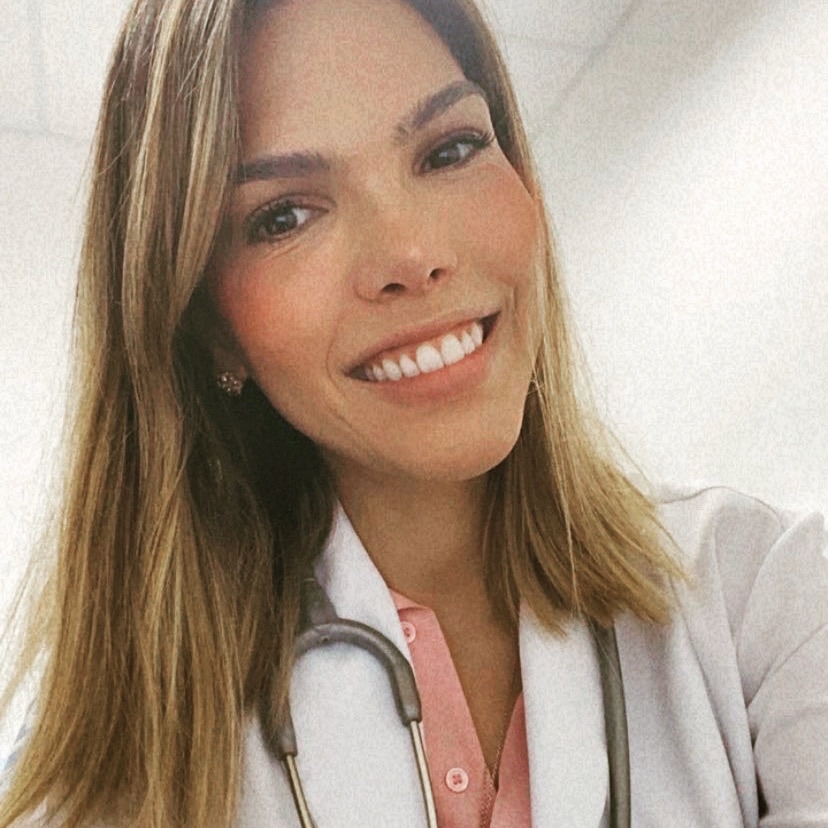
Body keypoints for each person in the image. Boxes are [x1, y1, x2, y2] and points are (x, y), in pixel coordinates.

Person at [1, 0, 826, 825]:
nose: (413, 255)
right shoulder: (110, 762)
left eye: (450, 149)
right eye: (285, 215)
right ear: (207, 324)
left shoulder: (767, 596)